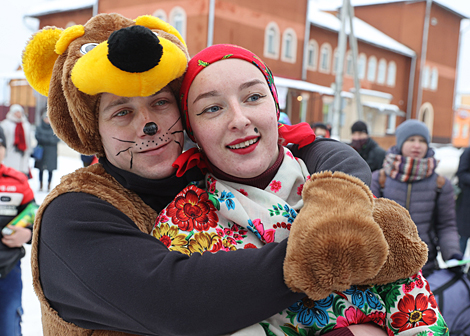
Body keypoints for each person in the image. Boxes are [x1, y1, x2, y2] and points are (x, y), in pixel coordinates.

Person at [22, 14, 426, 336]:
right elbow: (176, 303)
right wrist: (326, 251)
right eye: (122, 112)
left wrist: (342, 193)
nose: (148, 125)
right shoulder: (75, 213)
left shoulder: (204, 174)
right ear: (94, 130)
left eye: (160, 103)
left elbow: (299, 144)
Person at [154, 44, 442, 335]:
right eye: (212, 108)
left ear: (275, 107)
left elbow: (417, 310)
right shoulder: (181, 225)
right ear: (193, 132)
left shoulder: (341, 190)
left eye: (253, 97)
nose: (239, 119)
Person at [371, 119, 463, 276]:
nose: (417, 145)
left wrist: (452, 254)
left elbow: (446, 226)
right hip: (383, 267)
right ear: (400, 143)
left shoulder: (440, 184)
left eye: (422, 140)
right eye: (411, 139)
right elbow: (368, 222)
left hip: (424, 267)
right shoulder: (379, 179)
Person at [0, 125, 36, 335]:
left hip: (7, 270)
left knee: (9, 327)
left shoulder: (18, 181)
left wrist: (27, 234)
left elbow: (36, 218)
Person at [0, 104, 33, 177]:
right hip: (10, 152)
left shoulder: (26, 124)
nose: (18, 114)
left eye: (20, 112)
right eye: (16, 112)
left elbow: (28, 139)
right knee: (11, 172)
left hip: (23, 153)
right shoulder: (5, 124)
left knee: (22, 173)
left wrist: (29, 150)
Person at [34, 110, 60, 192]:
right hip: (41, 152)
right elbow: (38, 137)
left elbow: (57, 139)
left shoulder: (55, 128)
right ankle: (41, 184)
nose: (47, 120)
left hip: (51, 153)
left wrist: (45, 140)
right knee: (40, 169)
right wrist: (49, 140)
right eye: (46, 118)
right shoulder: (39, 127)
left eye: (48, 118)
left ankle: (49, 184)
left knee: (50, 170)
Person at [456, 146, 470, 254]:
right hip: (466, 202)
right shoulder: (468, 152)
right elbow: (461, 174)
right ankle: (456, 266)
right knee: (463, 237)